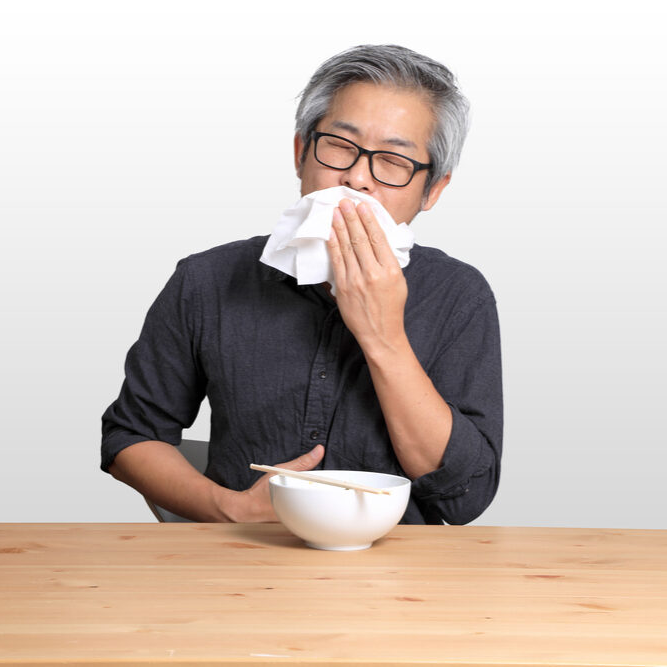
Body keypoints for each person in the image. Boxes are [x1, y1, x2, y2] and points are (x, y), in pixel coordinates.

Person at [101, 44, 502, 525]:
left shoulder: (459, 295)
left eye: (393, 160)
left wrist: (383, 335)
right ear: (300, 153)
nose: (357, 177)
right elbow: (131, 436)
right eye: (340, 145)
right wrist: (228, 508)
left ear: (432, 190)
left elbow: (465, 499)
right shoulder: (207, 280)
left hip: (402, 564)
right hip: (240, 558)